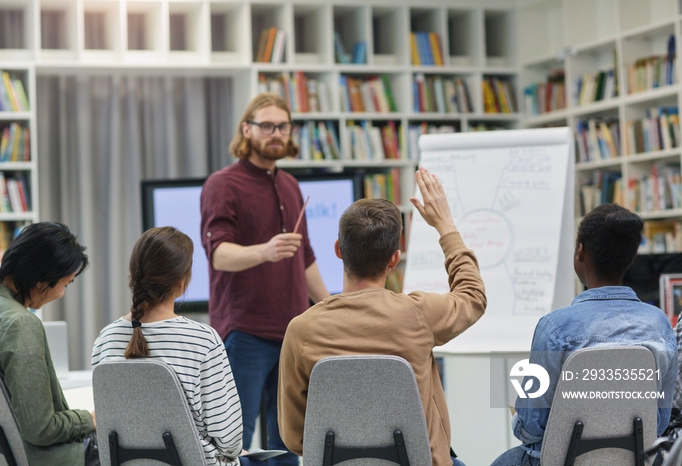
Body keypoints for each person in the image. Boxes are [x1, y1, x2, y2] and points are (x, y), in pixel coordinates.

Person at [277, 167, 487, 466]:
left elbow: (295, 436)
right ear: (394, 259)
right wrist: (445, 226)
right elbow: (473, 296)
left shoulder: (301, 330)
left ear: (338, 250)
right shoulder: (419, 315)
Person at [491, 203, 678, 466]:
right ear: (630, 258)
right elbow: (657, 422)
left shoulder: (555, 327)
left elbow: (531, 428)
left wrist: (520, 419)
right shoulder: (660, 324)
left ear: (580, 252)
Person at [200, 93, 329, 464]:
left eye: (283, 126)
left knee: (288, 441)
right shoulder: (222, 184)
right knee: (233, 440)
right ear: (247, 129)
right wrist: (265, 251)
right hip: (245, 334)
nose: (276, 133)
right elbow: (219, 255)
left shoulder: (289, 183)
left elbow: (304, 260)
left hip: (293, 333)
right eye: (267, 126)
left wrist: (335, 306)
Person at [92, 227, 263, 465]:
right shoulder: (203, 340)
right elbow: (230, 440)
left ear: (134, 276)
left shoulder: (105, 339)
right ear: (182, 283)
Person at [0, 222, 95, 465]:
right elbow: (40, 429)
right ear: (42, 281)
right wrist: (91, 419)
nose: (61, 293)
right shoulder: (21, 323)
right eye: (65, 284)